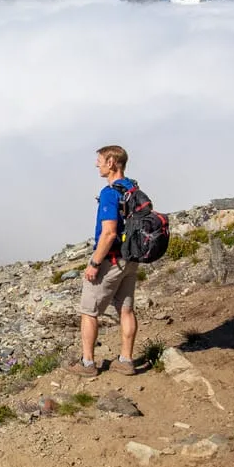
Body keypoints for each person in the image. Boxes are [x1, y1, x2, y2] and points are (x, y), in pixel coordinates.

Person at [66, 145, 140, 377]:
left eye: (99, 160)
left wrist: (95, 263)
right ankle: (126, 360)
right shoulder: (133, 188)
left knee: (89, 312)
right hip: (131, 258)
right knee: (126, 309)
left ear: (111, 163)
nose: (96, 164)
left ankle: (88, 364)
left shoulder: (110, 193)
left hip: (111, 260)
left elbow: (109, 232)